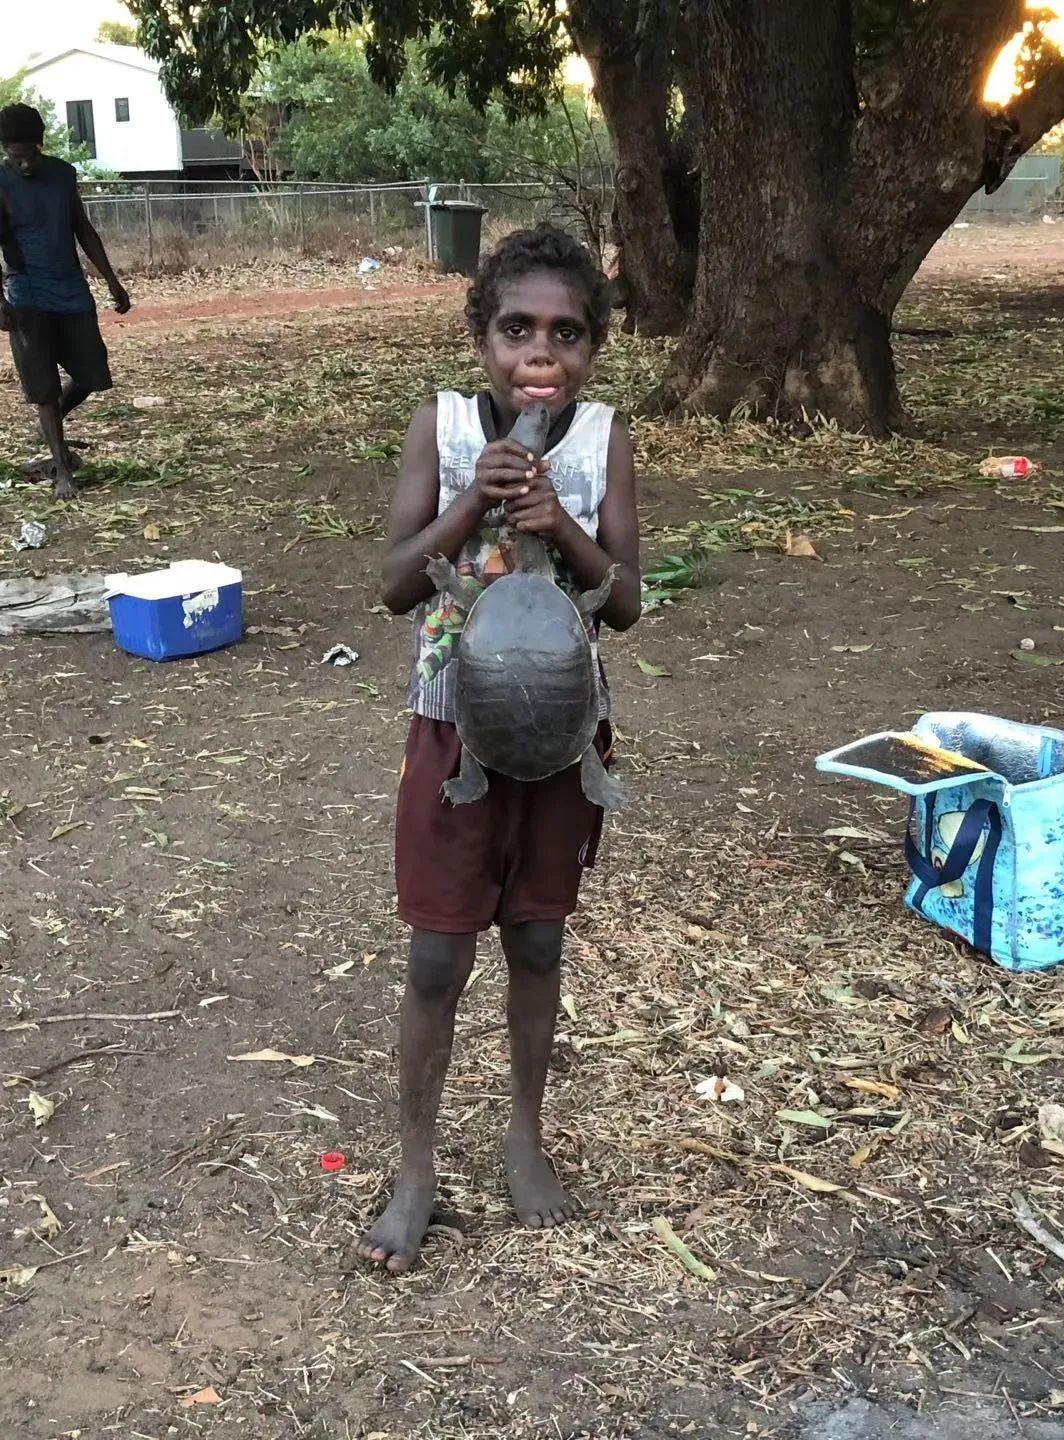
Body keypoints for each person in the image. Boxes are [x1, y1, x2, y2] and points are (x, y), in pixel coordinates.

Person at [353, 224, 641, 1276]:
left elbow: (628, 605)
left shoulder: (603, 439)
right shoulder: (440, 428)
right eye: (517, 328)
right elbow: (391, 587)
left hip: (561, 727)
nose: (542, 353)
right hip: (454, 722)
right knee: (438, 953)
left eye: (567, 334)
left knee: (537, 943)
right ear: (481, 336)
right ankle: (417, 1165)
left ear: (591, 353)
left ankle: (523, 1135)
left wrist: (561, 525)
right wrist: (474, 502)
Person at [0, 103, 131, 500]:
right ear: (4, 149)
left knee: (92, 374)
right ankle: (61, 470)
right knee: (43, 387)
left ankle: (53, 422)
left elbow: (83, 229)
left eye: (30, 154)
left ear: (41, 144)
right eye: (14, 156)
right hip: (27, 292)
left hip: (71, 288)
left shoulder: (62, 175)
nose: (24, 165)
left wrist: (112, 280)